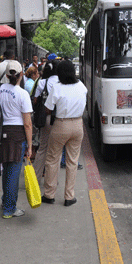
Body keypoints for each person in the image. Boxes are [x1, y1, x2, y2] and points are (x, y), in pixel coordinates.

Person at [41, 60, 87, 207]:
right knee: (72, 161)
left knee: (52, 159)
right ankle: (69, 196)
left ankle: (49, 194)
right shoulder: (81, 86)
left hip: (61, 125)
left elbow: (48, 108)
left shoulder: (57, 87)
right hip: (78, 125)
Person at [0, 60, 33, 218]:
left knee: (6, 170)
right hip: (17, 135)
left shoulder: (1, 89)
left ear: (6, 74)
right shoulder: (23, 94)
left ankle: (6, 201)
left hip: (3, 132)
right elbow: (27, 123)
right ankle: (9, 209)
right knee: (13, 173)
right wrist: (30, 146)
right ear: (21, 75)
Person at [32, 60, 59, 181]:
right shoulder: (61, 82)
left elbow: (35, 100)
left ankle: (36, 177)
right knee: (55, 151)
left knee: (42, 148)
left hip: (45, 118)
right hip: (59, 118)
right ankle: (52, 179)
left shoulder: (42, 82)